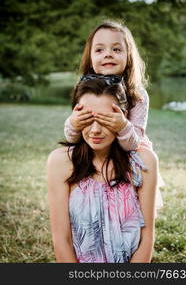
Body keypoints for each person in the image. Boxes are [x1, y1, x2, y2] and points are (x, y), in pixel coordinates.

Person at [47, 77, 158, 263]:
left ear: (121, 118)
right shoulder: (61, 162)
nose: (95, 130)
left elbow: (146, 241)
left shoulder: (144, 162)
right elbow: (62, 241)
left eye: (105, 119)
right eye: (87, 119)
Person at [63, 19, 163, 210]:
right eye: (99, 50)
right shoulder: (85, 89)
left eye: (116, 49)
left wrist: (122, 126)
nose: (108, 54)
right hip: (95, 153)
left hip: (126, 155)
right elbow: (73, 137)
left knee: (132, 209)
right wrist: (74, 124)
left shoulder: (138, 93)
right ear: (90, 57)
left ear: (128, 56)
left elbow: (134, 143)